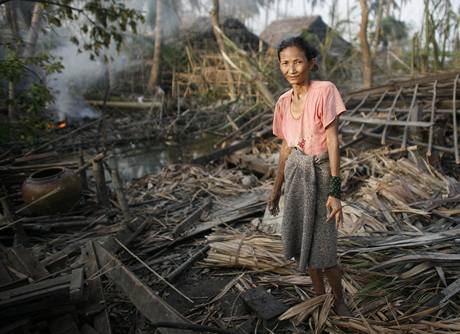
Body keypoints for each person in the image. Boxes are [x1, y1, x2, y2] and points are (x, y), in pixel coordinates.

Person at [267, 36, 352, 317]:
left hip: (321, 173)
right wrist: (276, 189)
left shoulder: (325, 91)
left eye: (298, 61)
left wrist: (335, 191)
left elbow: (332, 141)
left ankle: (339, 300)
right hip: (295, 174)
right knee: (305, 245)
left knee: (325, 250)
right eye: (285, 63)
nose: (291, 69)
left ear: (311, 63)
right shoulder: (282, 101)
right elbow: (285, 148)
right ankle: (319, 297)